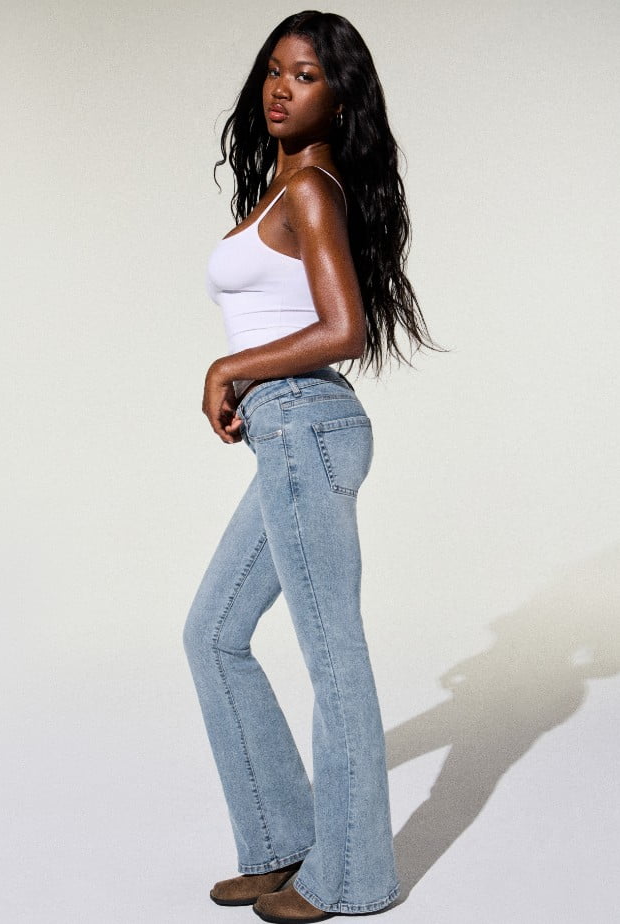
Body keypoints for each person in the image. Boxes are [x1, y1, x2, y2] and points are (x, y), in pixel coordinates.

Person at [183, 11, 442, 923]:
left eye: (305, 75)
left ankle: (354, 877)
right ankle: (282, 842)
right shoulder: (283, 187)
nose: (281, 88)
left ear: (340, 94)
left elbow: (344, 330)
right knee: (211, 635)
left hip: (303, 424)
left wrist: (230, 367)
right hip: (287, 427)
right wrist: (247, 383)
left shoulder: (312, 191)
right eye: (273, 72)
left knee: (332, 657)